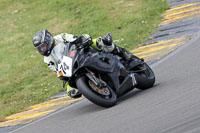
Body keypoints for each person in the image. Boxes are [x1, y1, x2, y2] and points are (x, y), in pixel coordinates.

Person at [33, 30, 135, 98]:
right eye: (40, 48)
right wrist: (63, 78)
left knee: (100, 42)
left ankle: (122, 52)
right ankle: (94, 89)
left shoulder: (61, 37)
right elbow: (58, 70)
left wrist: (83, 40)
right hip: (72, 68)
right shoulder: (47, 60)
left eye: (43, 46)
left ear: (48, 40)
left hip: (80, 53)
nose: (42, 49)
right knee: (71, 92)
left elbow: (76, 39)